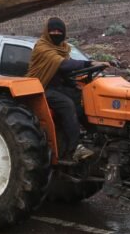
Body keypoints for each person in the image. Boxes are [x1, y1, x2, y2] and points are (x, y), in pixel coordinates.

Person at [26, 17, 109, 162]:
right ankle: (74, 148)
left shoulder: (63, 48)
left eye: (59, 31)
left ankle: (98, 136)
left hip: (58, 87)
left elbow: (67, 71)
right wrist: (90, 63)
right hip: (40, 88)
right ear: (47, 31)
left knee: (83, 98)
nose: (56, 33)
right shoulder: (42, 47)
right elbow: (65, 65)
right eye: (53, 30)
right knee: (67, 104)